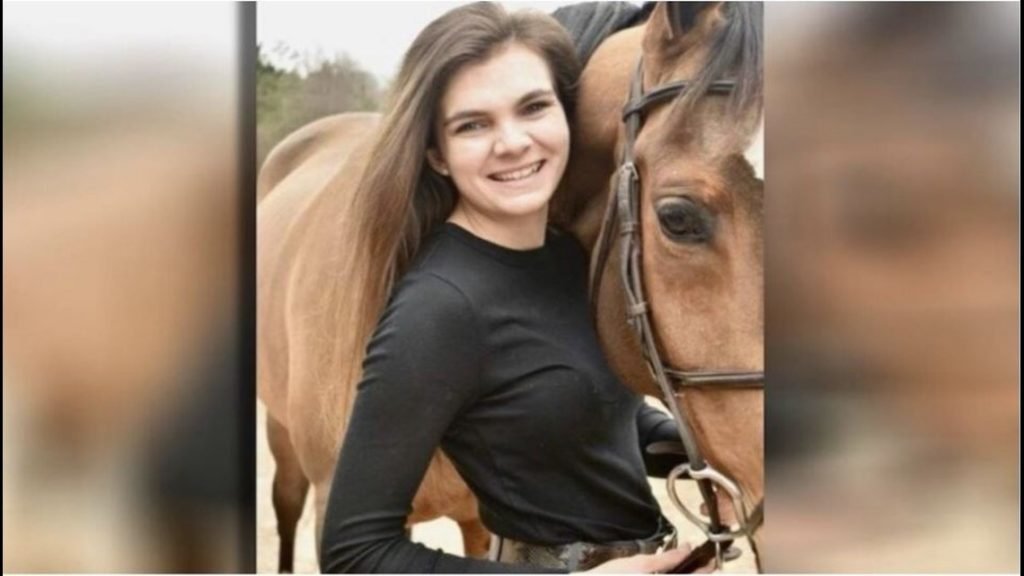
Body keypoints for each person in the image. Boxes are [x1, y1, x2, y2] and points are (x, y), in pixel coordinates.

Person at [319, 3, 699, 572]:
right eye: (473, 125)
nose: (513, 141)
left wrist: (705, 455)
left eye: (533, 107)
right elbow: (355, 553)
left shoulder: (569, 257)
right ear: (436, 154)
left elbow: (596, 417)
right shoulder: (439, 307)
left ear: (564, 115)